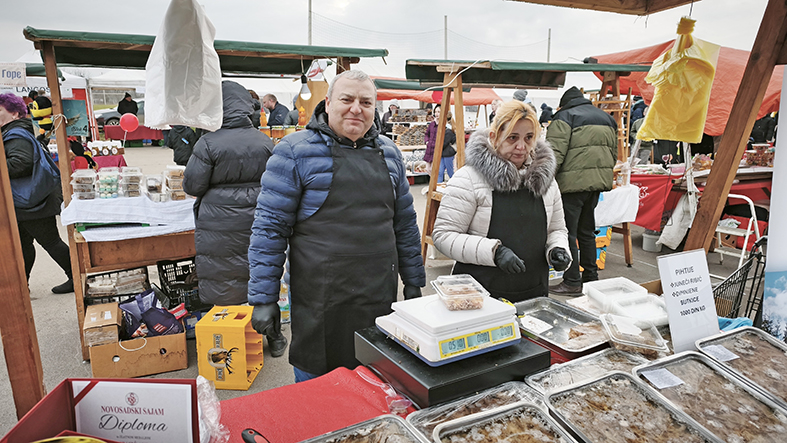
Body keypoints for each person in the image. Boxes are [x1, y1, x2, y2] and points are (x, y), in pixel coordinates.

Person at [248, 70, 425, 382]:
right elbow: (270, 230)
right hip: (319, 299)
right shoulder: (294, 151)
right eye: (347, 99)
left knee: (377, 382)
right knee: (318, 391)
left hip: (378, 294)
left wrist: (413, 281)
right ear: (328, 103)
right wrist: (264, 298)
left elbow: (405, 224)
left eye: (365, 102)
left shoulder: (390, 153)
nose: (356, 108)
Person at [432, 100, 571, 302]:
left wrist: (558, 249)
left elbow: (557, 229)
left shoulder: (546, 181)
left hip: (534, 291)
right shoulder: (468, 179)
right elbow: (443, 236)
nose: (521, 147)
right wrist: (494, 252)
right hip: (479, 296)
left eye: (529, 137)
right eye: (512, 137)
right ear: (494, 137)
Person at [183, 81, 274, 310]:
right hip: (257, 217)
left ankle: (227, 326)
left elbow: (192, 186)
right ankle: (263, 324)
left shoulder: (207, 143)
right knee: (256, 268)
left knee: (222, 273)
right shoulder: (264, 141)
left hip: (218, 222)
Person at [546, 86, 617, 296]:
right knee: (587, 231)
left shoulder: (565, 117)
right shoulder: (606, 118)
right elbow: (613, 154)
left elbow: (554, 154)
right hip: (596, 184)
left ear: (563, 104)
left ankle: (572, 280)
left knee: (567, 232)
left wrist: (544, 181)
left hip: (570, 186)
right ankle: (591, 278)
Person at [0, 93, 73, 294]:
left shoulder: (15, 134)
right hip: (30, 200)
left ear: (15, 113)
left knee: (50, 242)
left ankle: (75, 277)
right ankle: (22, 285)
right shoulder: (16, 131)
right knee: (24, 243)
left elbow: (20, 163)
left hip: (31, 201)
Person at [438, 110, 457, 183]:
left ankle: (455, 184)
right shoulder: (448, 129)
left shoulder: (448, 130)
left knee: (449, 172)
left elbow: (444, 143)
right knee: (441, 172)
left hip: (447, 153)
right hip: (445, 153)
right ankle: (439, 185)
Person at [423, 104, 441, 168]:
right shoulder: (432, 124)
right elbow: (427, 134)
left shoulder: (443, 125)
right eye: (435, 112)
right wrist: (427, 141)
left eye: (439, 112)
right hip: (429, 148)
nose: (437, 114)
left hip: (437, 149)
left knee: (434, 169)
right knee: (428, 168)